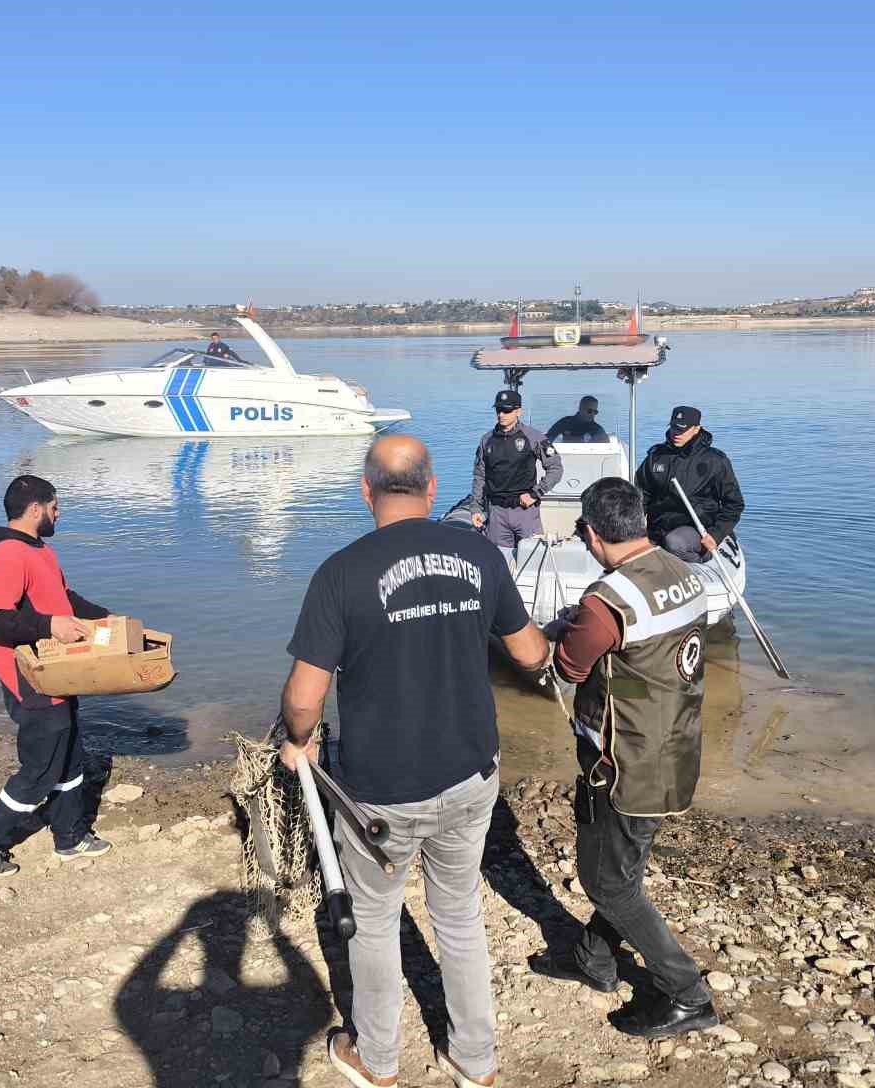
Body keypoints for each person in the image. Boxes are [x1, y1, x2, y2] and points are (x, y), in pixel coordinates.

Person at [279, 435, 548, 1088]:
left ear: (366, 490)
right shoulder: (480, 553)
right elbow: (531, 654)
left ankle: (376, 1059)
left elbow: (303, 697)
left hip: (381, 790)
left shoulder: (341, 573)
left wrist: (299, 740)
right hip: (470, 773)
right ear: (432, 491)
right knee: (458, 915)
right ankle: (474, 1062)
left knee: (373, 926)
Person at [527, 477, 719, 1038]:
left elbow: (567, 669)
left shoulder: (607, 599)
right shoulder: (687, 575)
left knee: (609, 883)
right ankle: (594, 960)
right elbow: (649, 665)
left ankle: (686, 992)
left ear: (592, 533)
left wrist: (562, 629)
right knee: (624, 868)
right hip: (676, 744)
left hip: (624, 761)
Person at [0, 474, 115, 879]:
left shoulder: (40, 551)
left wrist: (108, 619)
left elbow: (64, 601)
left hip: (57, 670)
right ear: (37, 508)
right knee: (41, 768)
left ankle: (69, 836)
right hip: (29, 676)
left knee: (73, 754)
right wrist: (49, 628)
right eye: (55, 506)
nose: (59, 513)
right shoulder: (8, 554)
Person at [634, 405, 744, 562]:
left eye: (681, 430)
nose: (676, 434)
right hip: (658, 527)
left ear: (696, 429)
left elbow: (734, 504)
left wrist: (716, 534)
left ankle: (696, 564)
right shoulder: (656, 456)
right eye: (673, 428)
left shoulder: (715, 461)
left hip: (696, 530)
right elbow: (641, 494)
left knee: (674, 542)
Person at [470, 389, 563, 550]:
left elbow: (556, 468)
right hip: (496, 513)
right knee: (498, 563)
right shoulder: (486, 440)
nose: (501, 415)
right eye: (499, 410)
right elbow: (480, 476)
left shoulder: (534, 437)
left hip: (525, 511)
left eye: (507, 410)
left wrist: (536, 493)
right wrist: (476, 508)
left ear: (518, 411)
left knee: (533, 560)